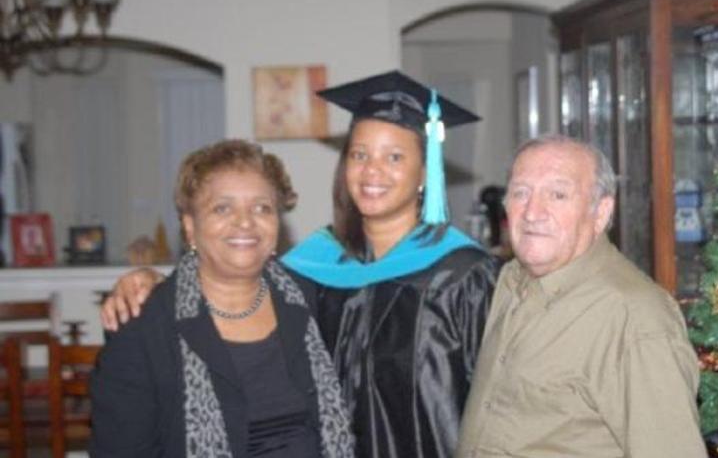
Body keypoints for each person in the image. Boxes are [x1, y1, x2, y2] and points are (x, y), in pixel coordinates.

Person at [100, 71, 499, 458]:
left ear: (424, 174)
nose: (372, 170)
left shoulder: (464, 276)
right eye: (359, 154)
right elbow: (222, 276)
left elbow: (498, 403)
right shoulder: (313, 271)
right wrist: (147, 278)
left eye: (394, 156)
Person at [89, 140, 354, 457]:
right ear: (190, 226)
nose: (245, 221)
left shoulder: (317, 301)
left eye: (262, 207)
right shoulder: (144, 326)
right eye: (222, 208)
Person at [455, 136, 706, 458]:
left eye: (558, 194)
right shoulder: (511, 280)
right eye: (520, 192)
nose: (532, 212)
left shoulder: (633, 316)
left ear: (601, 212)